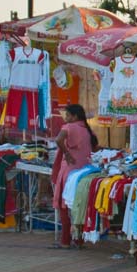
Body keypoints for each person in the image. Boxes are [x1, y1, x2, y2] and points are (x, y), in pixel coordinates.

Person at [50, 104, 97, 249]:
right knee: (79, 206)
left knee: (63, 206)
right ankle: (79, 240)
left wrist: (67, 153)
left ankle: (65, 240)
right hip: (84, 172)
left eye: (68, 115)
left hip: (69, 172)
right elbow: (94, 148)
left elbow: (58, 140)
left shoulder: (68, 127)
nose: (66, 118)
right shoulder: (88, 131)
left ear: (75, 116)